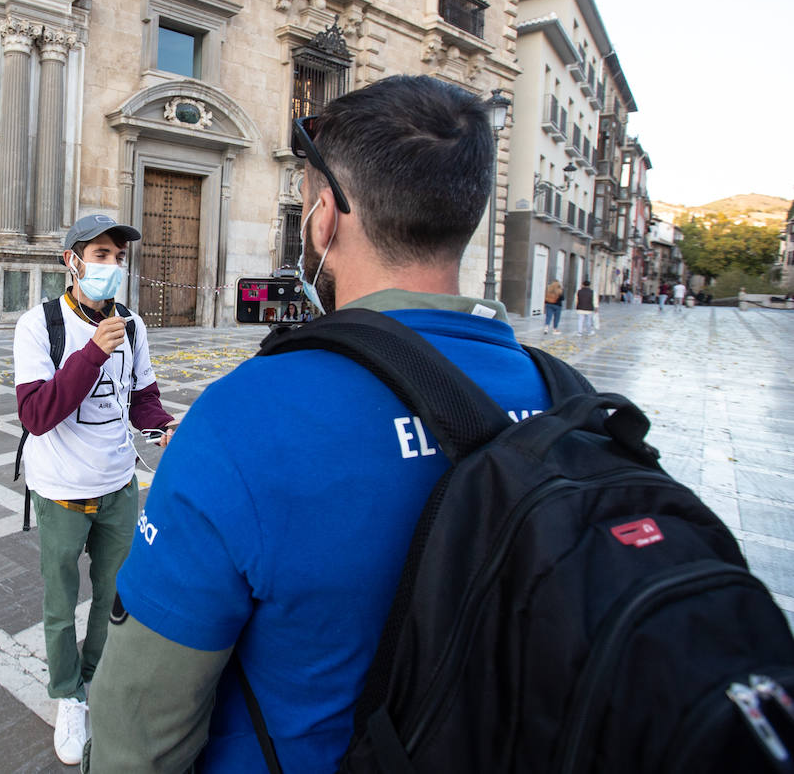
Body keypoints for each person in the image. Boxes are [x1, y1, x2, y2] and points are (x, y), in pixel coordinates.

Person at [83, 76, 553, 771]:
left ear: (326, 218)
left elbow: (140, 728)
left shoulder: (247, 417)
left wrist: (215, 472)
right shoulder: (562, 397)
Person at [12, 212, 178, 766]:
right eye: (101, 255)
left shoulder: (132, 325)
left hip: (117, 485)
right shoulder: (40, 326)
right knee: (61, 603)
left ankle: (94, 680)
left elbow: (142, 398)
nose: (111, 266)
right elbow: (37, 414)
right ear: (72, 262)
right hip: (59, 489)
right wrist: (93, 353)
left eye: (118, 257)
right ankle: (66, 696)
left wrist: (162, 429)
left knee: (114, 596)